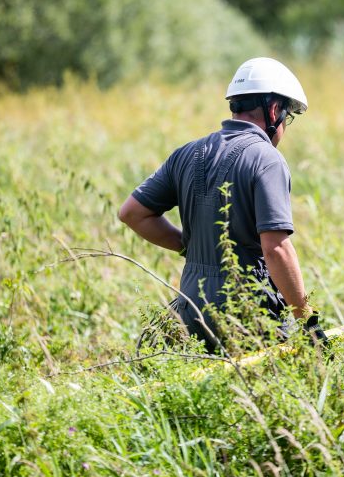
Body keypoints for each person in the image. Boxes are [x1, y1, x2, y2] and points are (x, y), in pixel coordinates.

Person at [118, 57, 326, 354]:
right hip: (248, 312)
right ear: (273, 110)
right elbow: (276, 249)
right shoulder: (266, 159)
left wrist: (190, 246)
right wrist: (308, 321)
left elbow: (131, 213)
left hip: (192, 308)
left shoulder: (187, 153)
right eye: (287, 115)